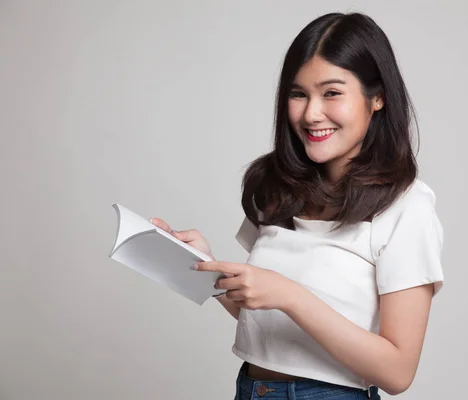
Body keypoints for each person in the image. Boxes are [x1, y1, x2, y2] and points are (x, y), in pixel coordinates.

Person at [151, 11, 444, 400]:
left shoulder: (407, 205)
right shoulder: (277, 187)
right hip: (251, 389)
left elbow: (397, 372)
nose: (311, 114)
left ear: (377, 98)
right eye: (298, 93)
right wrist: (207, 268)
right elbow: (264, 319)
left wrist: (291, 295)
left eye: (332, 93)